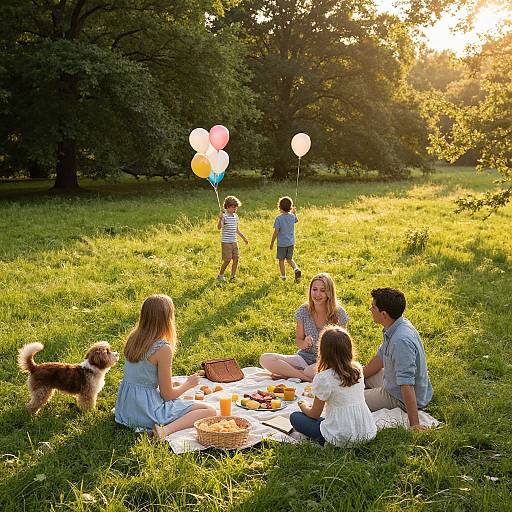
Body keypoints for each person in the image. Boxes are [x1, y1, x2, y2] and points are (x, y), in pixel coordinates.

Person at [115, 294, 216, 439]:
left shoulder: (134, 337)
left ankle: (161, 427)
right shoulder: (162, 348)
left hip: (126, 408)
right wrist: (188, 384)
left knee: (175, 388)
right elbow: (167, 395)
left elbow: (142, 375)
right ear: (167, 319)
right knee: (209, 411)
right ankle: (165, 430)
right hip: (147, 412)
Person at [290, 326, 377, 445]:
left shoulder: (324, 377)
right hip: (366, 430)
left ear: (323, 351)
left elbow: (314, 414)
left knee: (295, 417)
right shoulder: (358, 369)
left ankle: (325, 438)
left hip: (341, 436)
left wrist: (303, 406)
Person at [363, 287, 433, 431]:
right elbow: (381, 357)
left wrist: (415, 425)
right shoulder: (395, 325)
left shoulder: (401, 341)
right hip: (391, 380)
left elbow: (406, 384)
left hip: (399, 396)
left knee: (351, 399)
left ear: (384, 314)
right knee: (356, 376)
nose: (370, 309)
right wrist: (358, 375)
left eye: (373, 307)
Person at [260, 273, 348, 381]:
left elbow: (343, 348)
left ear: (329, 293)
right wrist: (304, 343)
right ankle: (304, 377)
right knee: (265, 358)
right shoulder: (304, 311)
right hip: (303, 358)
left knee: (310, 371)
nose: (317, 294)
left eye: (323, 290)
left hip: (327, 361)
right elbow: (298, 341)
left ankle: (290, 373)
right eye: (314, 289)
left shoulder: (339, 313)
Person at [269, 196, 301, 282]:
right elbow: (296, 220)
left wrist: (272, 243)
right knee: (289, 259)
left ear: (279, 207)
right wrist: (294, 213)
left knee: (281, 260)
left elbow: (276, 232)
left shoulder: (278, 218)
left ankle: (283, 277)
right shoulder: (292, 216)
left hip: (282, 244)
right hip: (291, 243)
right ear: (290, 207)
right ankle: (296, 269)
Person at [217, 195, 249, 282]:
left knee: (236, 258)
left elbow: (237, 230)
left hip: (234, 241)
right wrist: (220, 219)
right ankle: (220, 275)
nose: (234, 209)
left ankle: (232, 277)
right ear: (227, 207)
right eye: (232, 207)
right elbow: (219, 227)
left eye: (236, 207)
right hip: (226, 242)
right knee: (227, 260)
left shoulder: (236, 216)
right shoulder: (224, 216)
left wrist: (244, 238)